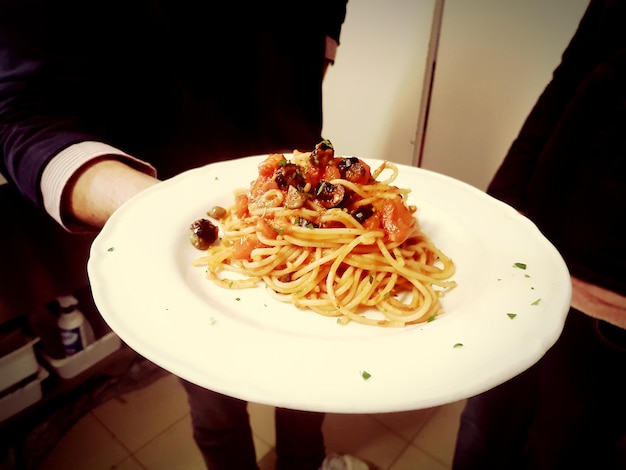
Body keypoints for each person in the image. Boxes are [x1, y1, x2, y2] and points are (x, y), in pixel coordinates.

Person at [0, 1, 372, 469]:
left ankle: (306, 462)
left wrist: (320, 50)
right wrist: (166, 207)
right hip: (173, 213)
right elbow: (17, 114)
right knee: (213, 400)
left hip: (301, 172)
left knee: (311, 379)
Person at [453, 0, 626, 469]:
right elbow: (566, 82)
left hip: (612, 301)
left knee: (562, 449)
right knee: (482, 429)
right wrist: (500, 210)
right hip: (534, 249)